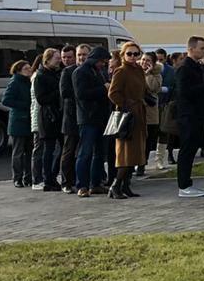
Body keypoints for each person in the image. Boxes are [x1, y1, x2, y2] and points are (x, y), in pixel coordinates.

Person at [176, 37, 204, 198]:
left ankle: (187, 183)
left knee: (192, 149)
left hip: (196, 114)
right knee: (187, 150)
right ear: (191, 49)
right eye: (201, 48)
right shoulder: (185, 67)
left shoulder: (196, 66)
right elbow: (184, 92)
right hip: (188, 115)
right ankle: (184, 185)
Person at [106, 41, 149, 199]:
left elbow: (143, 89)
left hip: (139, 113)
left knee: (137, 152)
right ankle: (115, 186)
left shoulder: (138, 69)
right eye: (129, 54)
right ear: (123, 55)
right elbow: (112, 93)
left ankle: (126, 185)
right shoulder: (121, 71)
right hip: (127, 116)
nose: (133, 57)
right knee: (126, 153)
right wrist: (125, 103)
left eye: (136, 54)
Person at [72, 47, 111, 198]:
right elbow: (81, 94)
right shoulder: (80, 72)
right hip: (87, 118)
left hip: (101, 117)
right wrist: (103, 88)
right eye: (102, 62)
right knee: (85, 153)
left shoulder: (99, 72)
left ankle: (96, 184)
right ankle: (82, 185)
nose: (104, 65)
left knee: (99, 154)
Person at [30, 47, 63, 190]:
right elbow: (41, 99)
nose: (59, 61)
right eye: (57, 59)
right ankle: (47, 179)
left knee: (62, 147)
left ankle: (53, 175)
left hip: (57, 114)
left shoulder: (57, 73)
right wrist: (58, 92)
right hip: (48, 116)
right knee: (48, 149)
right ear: (47, 60)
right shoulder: (40, 76)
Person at [1, 60, 34, 189]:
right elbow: (6, 100)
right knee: (18, 151)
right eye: (26, 68)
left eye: (29, 68)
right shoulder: (15, 82)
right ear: (19, 70)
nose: (29, 70)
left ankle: (28, 177)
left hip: (28, 120)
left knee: (29, 151)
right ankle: (17, 177)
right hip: (18, 121)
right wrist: (24, 105)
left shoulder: (29, 81)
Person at [58, 45, 83, 192]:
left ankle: (77, 178)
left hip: (83, 116)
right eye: (64, 57)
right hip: (71, 117)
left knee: (81, 150)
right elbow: (65, 93)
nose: (66, 60)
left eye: (69, 57)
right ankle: (66, 182)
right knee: (69, 150)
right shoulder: (66, 72)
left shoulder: (84, 70)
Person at [139, 50, 162, 177]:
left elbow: (154, 88)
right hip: (137, 109)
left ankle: (142, 164)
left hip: (150, 111)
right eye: (143, 59)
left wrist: (147, 74)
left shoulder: (157, 74)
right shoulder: (135, 71)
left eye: (148, 61)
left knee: (147, 140)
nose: (144, 62)